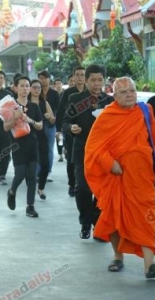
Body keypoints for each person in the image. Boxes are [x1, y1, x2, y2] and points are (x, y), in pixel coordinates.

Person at [84, 76, 155, 278]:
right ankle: (117, 256)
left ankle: (150, 264)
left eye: (132, 90)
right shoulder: (107, 116)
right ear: (114, 95)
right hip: (116, 177)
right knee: (113, 216)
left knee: (146, 217)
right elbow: (93, 149)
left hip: (142, 176)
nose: (129, 95)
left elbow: (154, 142)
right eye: (123, 92)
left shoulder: (145, 111)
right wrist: (109, 163)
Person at [62, 64, 114, 239]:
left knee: (102, 191)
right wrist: (71, 127)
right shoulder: (76, 99)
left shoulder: (109, 101)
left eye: (100, 80)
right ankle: (85, 221)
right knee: (82, 188)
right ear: (86, 80)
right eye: (93, 80)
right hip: (82, 150)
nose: (97, 84)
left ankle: (97, 223)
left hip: (104, 153)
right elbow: (65, 121)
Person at [5, 76, 43, 218]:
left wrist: (30, 120)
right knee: (20, 174)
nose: (25, 88)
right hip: (17, 146)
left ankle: (30, 206)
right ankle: (12, 191)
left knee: (32, 177)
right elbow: (6, 127)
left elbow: (40, 126)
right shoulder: (10, 107)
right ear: (15, 88)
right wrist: (15, 117)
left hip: (32, 145)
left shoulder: (34, 106)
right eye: (22, 86)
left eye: (27, 86)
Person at [56, 66, 86, 197]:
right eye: (77, 74)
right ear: (73, 77)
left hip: (86, 130)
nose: (79, 77)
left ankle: (84, 183)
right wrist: (59, 130)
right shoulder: (68, 93)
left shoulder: (90, 92)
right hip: (70, 130)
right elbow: (61, 112)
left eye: (82, 75)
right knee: (71, 159)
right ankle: (72, 184)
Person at [29, 79, 55, 199]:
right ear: (29, 89)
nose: (36, 90)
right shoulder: (26, 103)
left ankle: (41, 188)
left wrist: (49, 116)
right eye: (34, 87)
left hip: (42, 135)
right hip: (28, 137)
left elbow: (53, 120)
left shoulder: (45, 103)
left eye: (39, 88)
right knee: (30, 165)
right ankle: (31, 190)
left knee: (45, 164)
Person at [38, 70, 60, 182]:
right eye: (41, 78)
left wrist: (54, 120)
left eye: (45, 78)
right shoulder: (36, 92)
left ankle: (48, 171)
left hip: (51, 125)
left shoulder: (54, 93)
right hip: (38, 125)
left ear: (49, 79)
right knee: (38, 148)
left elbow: (58, 109)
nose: (43, 80)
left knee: (49, 149)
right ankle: (38, 171)